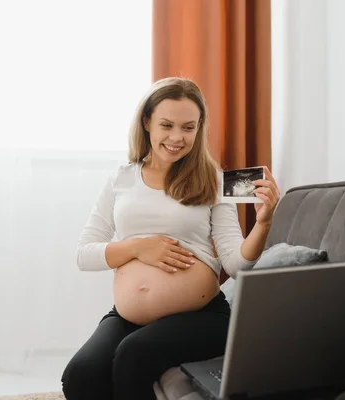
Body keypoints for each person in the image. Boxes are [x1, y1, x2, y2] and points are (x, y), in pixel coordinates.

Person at [61, 77, 280, 399]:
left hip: (203, 318)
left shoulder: (214, 181)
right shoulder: (120, 179)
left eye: (188, 127)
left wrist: (263, 223)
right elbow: (84, 254)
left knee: (134, 355)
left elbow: (237, 266)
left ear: (199, 128)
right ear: (147, 122)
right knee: (81, 374)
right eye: (167, 125)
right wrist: (137, 247)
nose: (177, 138)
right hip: (128, 317)